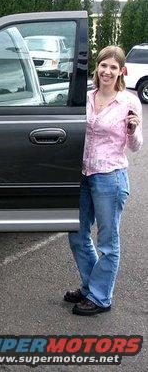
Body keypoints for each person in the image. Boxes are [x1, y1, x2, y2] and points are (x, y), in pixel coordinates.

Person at [65, 45, 143, 316]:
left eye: (113, 67)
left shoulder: (129, 101)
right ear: (97, 68)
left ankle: (101, 297)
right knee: (76, 235)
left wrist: (133, 130)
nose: (107, 71)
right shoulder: (87, 97)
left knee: (108, 243)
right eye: (103, 65)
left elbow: (136, 146)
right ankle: (90, 285)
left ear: (121, 71)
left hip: (110, 178)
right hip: (84, 175)